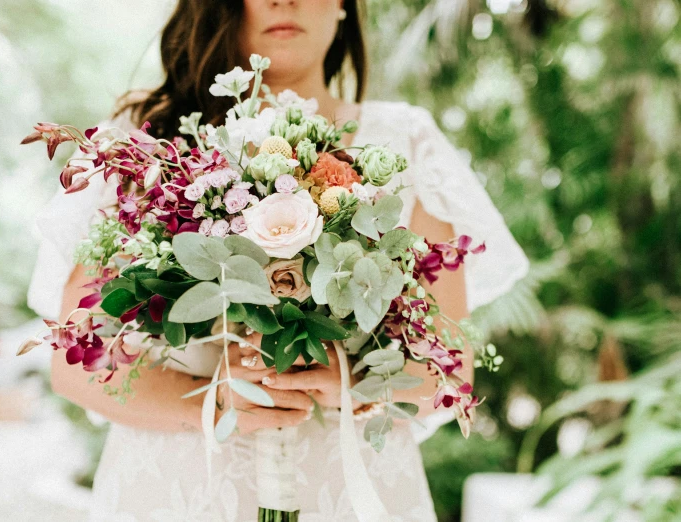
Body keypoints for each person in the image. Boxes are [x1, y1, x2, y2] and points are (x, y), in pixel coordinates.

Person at [27, 0, 529, 520]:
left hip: (351, 496)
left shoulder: (406, 142)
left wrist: (356, 380)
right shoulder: (145, 142)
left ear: (342, 6)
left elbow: (452, 374)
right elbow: (76, 362)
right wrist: (212, 400)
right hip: (178, 493)